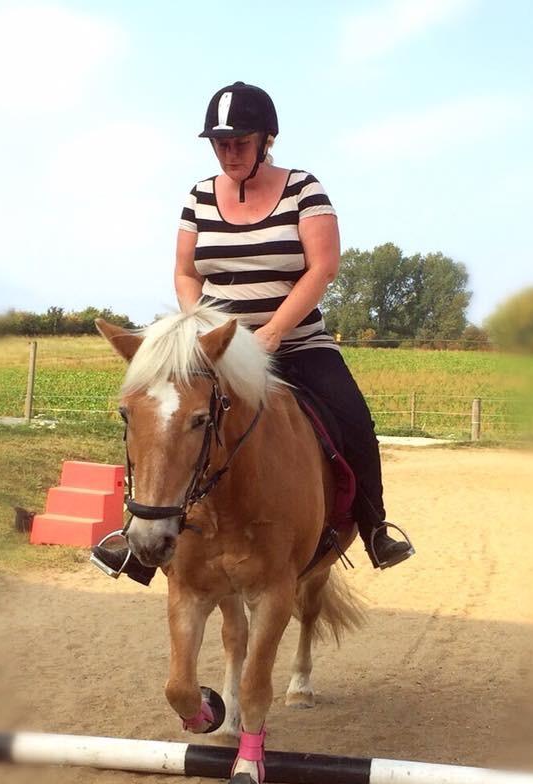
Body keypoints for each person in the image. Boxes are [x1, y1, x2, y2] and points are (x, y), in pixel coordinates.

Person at [93, 81, 413, 583]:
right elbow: (185, 271)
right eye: (220, 143)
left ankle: (375, 526)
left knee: (355, 421)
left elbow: (322, 267)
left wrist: (271, 334)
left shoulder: (304, 189)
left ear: (267, 139)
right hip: (217, 350)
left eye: (240, 142)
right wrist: (200, 329)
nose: (229, 152)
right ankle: (137, 540)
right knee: (162, 419)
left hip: (297, 344)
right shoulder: (199, 197)